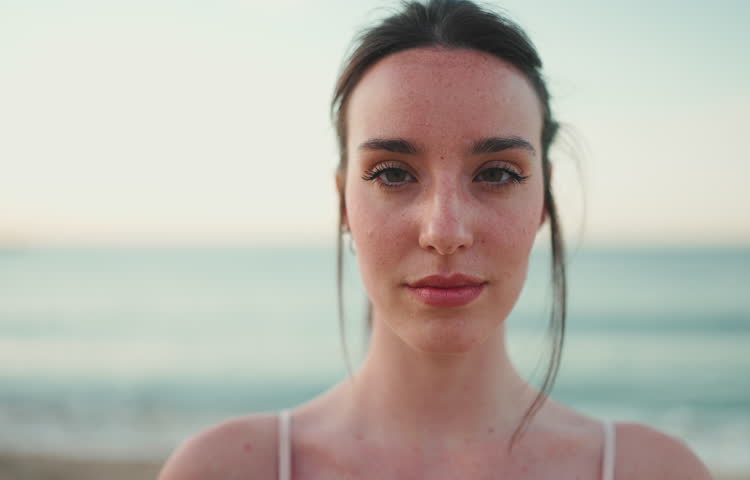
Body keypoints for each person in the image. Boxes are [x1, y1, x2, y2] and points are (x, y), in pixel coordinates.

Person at [158, 1, 713, 478]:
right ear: (343, 202)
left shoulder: (651, 471)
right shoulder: (227, 469)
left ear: (543, 200)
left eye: (497, 173)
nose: (444, 231)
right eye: (393, 174)